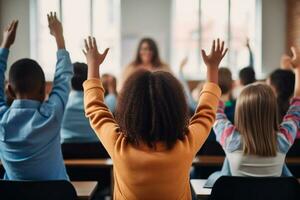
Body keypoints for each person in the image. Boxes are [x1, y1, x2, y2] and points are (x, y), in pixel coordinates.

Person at [82, 38, 227, 199]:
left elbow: (95, 108)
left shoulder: (119, 146)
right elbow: (206, 112)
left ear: (129, 109)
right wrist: (213, 68)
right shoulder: (185, 145)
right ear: (176, 109)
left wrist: (93, 65)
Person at [0, 12, 72, 180]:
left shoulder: (2, 120)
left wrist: (5, 45)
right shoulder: (52, 115)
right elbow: (63, 77)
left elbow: (62, 77)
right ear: (44, 91)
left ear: (9, 91)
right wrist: (59, 38)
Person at [213, 46, 300, 177]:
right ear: (273, 111)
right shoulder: (283, 140)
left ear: (240, 112)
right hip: (275, 196)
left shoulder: (230, 139)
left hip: (237, 196)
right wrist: (298, 69)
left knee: (216, 176)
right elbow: (296, 107)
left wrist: (213, 68)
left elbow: (214, 108)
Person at [61, 62, 99, 143]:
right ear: (88, 79)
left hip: (67, 151)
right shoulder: (99, 103)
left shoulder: (61, 104)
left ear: (69, 81)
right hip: (97, 151)